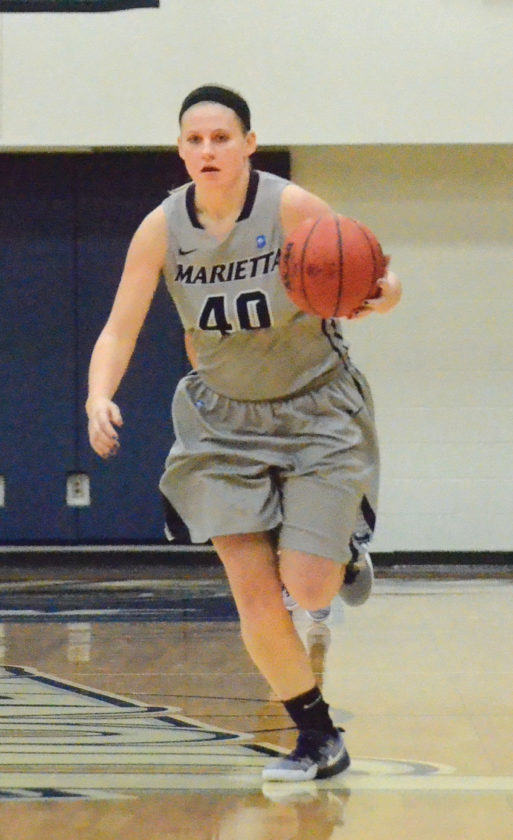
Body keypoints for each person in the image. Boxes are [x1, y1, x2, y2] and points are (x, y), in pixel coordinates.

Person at [86, 84, 402, 782]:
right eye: (194, 140)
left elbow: (382, 277)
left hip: (316, 409)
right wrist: (97, 396)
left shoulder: (292, 207)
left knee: (309, 589)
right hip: (221, 422)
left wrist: (379, 296)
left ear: (248, 145)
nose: (208, 150)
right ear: (180, 150)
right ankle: (317, 737)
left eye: (221, 138)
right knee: (252, 590)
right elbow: (118, 328)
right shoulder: (160, 229)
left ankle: (341, 550)